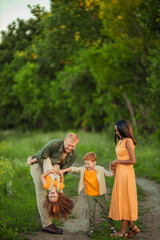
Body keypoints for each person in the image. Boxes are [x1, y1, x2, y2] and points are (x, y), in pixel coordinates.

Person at [27, 132, 79, 234]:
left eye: (72, 146)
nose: (70, 148)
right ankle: (47, 224)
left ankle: (55, 211)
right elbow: (42, 157)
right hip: (39, 165)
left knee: (59, 192)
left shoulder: (73, 155)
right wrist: (47, 172)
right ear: (64, 141)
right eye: (68, 145)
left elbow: (64, 170)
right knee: (42, 193)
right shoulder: (54, 144)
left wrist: (56, 180)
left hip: (54, 170)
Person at [60, 152, 115, 237]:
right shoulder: (83, 169)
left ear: (94, 162)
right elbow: (74, 169)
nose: (86, 165)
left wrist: (113, 168)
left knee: (106, 210)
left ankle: (112, 227)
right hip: (90, 195)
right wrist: (63, 170)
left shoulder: (100, 169)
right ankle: (92, 229)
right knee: (91, 212)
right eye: (85, 163)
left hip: (100, 195)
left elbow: (110, 174)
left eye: (88, 164)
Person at [109, 118, 140, 238]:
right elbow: (120, 158)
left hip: (127, 174)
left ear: (123, 129)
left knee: (125, 200)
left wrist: (117, 161)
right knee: (122, 199)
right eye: (115, 131)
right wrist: (114, 165)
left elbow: (132, 160)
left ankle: (123, 231)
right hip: (120, 173)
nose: (116, 133)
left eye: (117, 130)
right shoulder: (120, 141)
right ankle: (132, 227)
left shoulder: (128, 141)